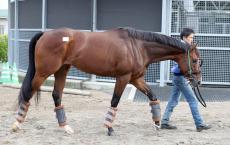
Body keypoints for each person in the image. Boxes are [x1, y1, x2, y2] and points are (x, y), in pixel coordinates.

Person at [161, 28, 211, 132]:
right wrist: (188, 76)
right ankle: (199, 124)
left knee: (173, 100)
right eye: (191, 37)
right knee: (193, 100)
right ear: (184, 37)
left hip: (177, 77)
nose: (192, 40)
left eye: (193, 37)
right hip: (181, 78)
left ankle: (165, 122)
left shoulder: (183, 47)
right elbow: (183, 65)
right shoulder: (183, 49)